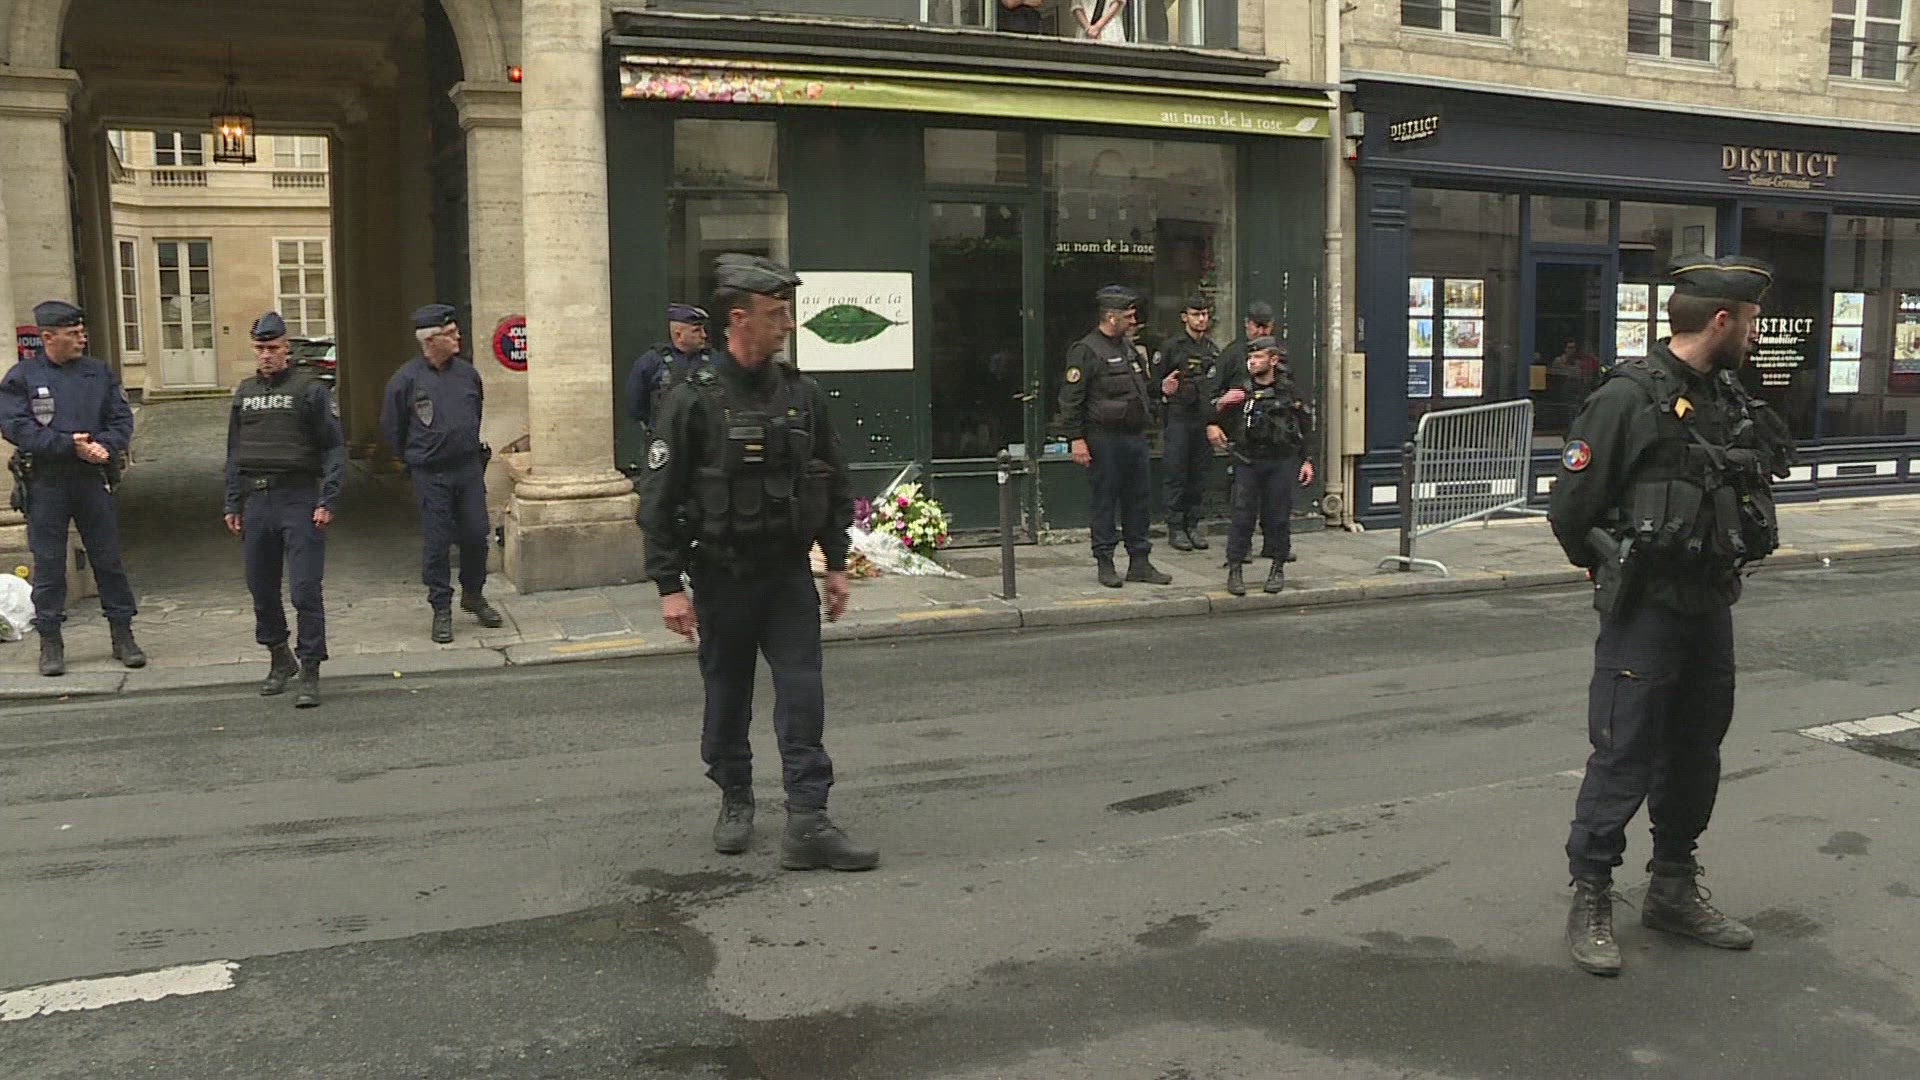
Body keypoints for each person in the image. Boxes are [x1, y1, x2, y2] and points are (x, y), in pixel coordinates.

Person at [1548, 255, 1795, 978]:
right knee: (1623, 751)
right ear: (1721, 321)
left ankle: (1673, 889)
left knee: (1696, 749)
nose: (1755, 334)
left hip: (1710, 603)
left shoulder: (1726, 396)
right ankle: (1593, 893)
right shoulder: (1626, 398)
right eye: (1750, 322)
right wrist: (1607, 565)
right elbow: (1571, 509)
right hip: (1647, 608)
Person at [638, 253, 877, 873]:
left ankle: (808, 820)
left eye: (787, 313)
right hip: (722, 577)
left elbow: (830, 477)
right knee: (727, 697)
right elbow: (658, 498)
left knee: (803, 695)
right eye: (776, 314)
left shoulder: (802, 394)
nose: (787, 325)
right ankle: (735, 797)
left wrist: (836, 562)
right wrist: (668, 586)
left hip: (787, 577)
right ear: (738, 319)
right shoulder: (691, 400)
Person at [0, 301, 142, 677]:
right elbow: (16, 427)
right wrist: (68, 445)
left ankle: (123, 634)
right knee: (49, 565)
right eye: (73, 333)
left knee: (107, 560)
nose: (82, 338)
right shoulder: (23, 377)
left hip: (91, 479)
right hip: (46, 481)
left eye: (82, 331)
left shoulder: (97, 373)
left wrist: (105, 446)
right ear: (48, 337)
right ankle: (50, 641)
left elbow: (120, 418)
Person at [224, 311, 344, 708]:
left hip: (298, 498)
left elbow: (333, 447)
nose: (266, 355)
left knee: (305, 589)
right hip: (257, 500)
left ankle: (310, 667)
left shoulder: (309, 391)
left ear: (286, 348)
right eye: (260, 348)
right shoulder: (245, 393)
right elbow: (234, 452)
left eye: (273, 348)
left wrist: (327, 499)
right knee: (260, 587)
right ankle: (279, 656)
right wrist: (232, 501)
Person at [380, 303, 503, 644]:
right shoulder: (405, 381)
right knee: (437, 543)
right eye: (450, 334)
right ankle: (441, 608)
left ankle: (473, 594)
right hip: (430, 474)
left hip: (467, 469)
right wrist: (416, 458)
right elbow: (393, 429)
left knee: (476, 535)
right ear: (430, 340)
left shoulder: (467, 375)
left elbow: (475, 412)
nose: (457, 337)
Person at [1059, 285, 1170, 589]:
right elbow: (1070, 399)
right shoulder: (1086, 350)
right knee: (1105, 501)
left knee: (1139, 500)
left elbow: (1141, 387)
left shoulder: (1128, 348)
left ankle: (1140, 562)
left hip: (1134, 437)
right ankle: (1105, 562)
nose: (1134, 321)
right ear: (1111, 317)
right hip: (1103, 439)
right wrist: (1076, 438)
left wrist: (1161, 390)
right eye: (1129, 316)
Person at [1207, 337, 1314, 595]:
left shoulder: (1288, 391)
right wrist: (1215, 418)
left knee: (1278, 517)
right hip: (1247, 460)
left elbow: (1305, 426)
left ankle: (1277, 568)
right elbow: (1211, 414)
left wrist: (1307, 460)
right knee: (1242, 516)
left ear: (1273, 360)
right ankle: (1235, 569)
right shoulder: (1241, 390)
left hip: (1280, 461)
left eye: (1258, 357)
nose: (1252, 362)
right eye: (1250, 358)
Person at [1153, 294, 1221, 552]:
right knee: (1176, 472)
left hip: (1202, 420)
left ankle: (1192, 524)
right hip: (1178, 417)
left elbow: (1216, 385)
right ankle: (1175, 527)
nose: (1201, 319)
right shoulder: (1171, 347)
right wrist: (1163, 387)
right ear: (1184, 317)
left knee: (1198, 475)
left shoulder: (1212, 350)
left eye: (1204, 314)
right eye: (1195, 314)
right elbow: (1151, 384)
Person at [624, 303, 716, 432]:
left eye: (703, 329)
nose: (704, 335)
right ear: (679, 335)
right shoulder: (651, 362)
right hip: (666, 435)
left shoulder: (714, 359)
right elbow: (635, 405)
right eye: (696, 331)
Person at [1210, 300, 1276, 402]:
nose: (1261, 332)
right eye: (1257, 326)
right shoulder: (1231, 354)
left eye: (1265, 327)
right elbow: (1212, 394)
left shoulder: (1278, 354)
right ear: (1247, 323)